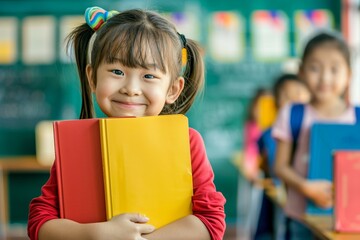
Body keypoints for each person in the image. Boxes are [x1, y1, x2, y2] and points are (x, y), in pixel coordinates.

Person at [28, 6, 226, 240]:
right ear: (92, 77)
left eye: (149, 76)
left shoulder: (186, 142)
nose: (131, 89)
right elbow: (40, 223)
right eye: (117, 71)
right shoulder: (78, 143)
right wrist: (96, 234)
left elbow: (211, 222)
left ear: (173, 89)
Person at [273, 31, 355, 239]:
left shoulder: (357, 117)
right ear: (301, 71)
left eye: (334, 69)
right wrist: (305, 187)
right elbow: (280, 166)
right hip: (302, 218)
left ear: (349, 75)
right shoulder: (292, 113)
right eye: (315, 68)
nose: (325, 78)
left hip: (348, 222)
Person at [256, 73, 310, 240]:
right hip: (283, 200)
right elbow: (274, 166)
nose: (294, 100)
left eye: (299, 93)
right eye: (287, 95)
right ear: (277, 102)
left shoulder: (314, 130)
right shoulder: (270, 134)